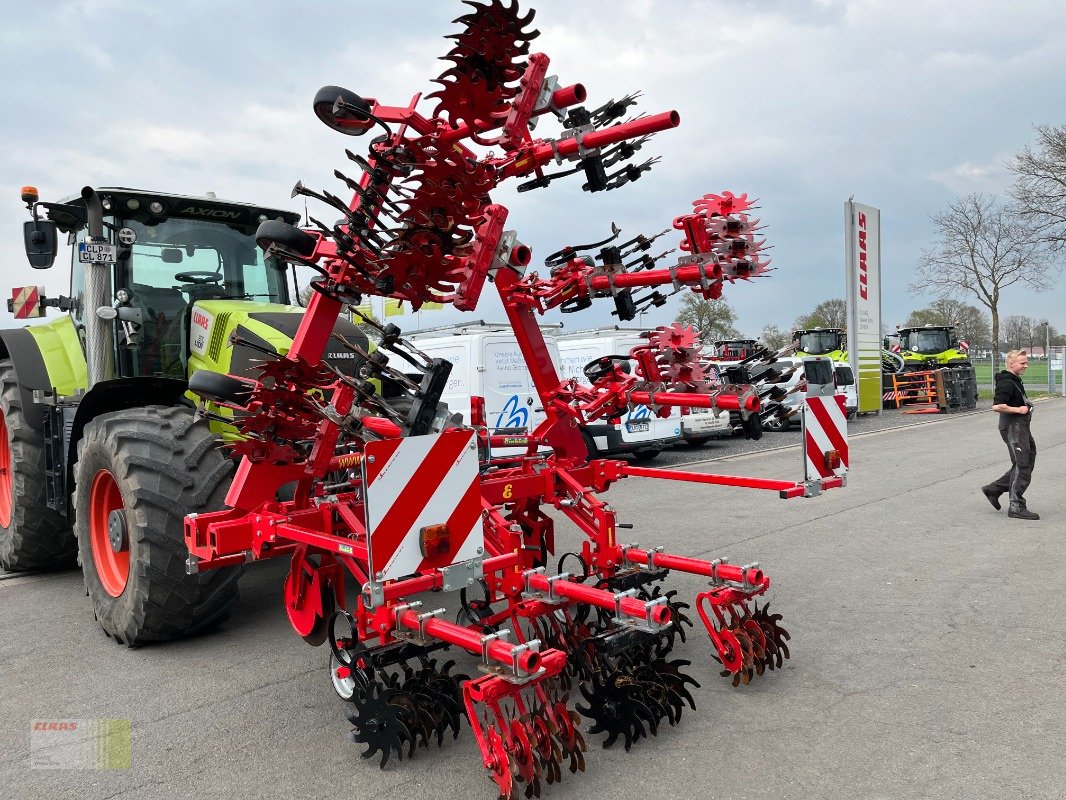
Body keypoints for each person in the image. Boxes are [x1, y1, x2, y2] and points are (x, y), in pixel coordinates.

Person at [982, 350, 1039, 520]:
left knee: (1027, 461)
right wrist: (1018, 409)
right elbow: (997, 406)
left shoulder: (1015, 380)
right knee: (1022, 466)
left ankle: (994, 489)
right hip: (1013, 428)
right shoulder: (1006, 382)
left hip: (1021, 427)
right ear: (1011, 363)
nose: (1026, 365)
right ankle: (1016, 506)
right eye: (1022, 363)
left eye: (1026, 362)